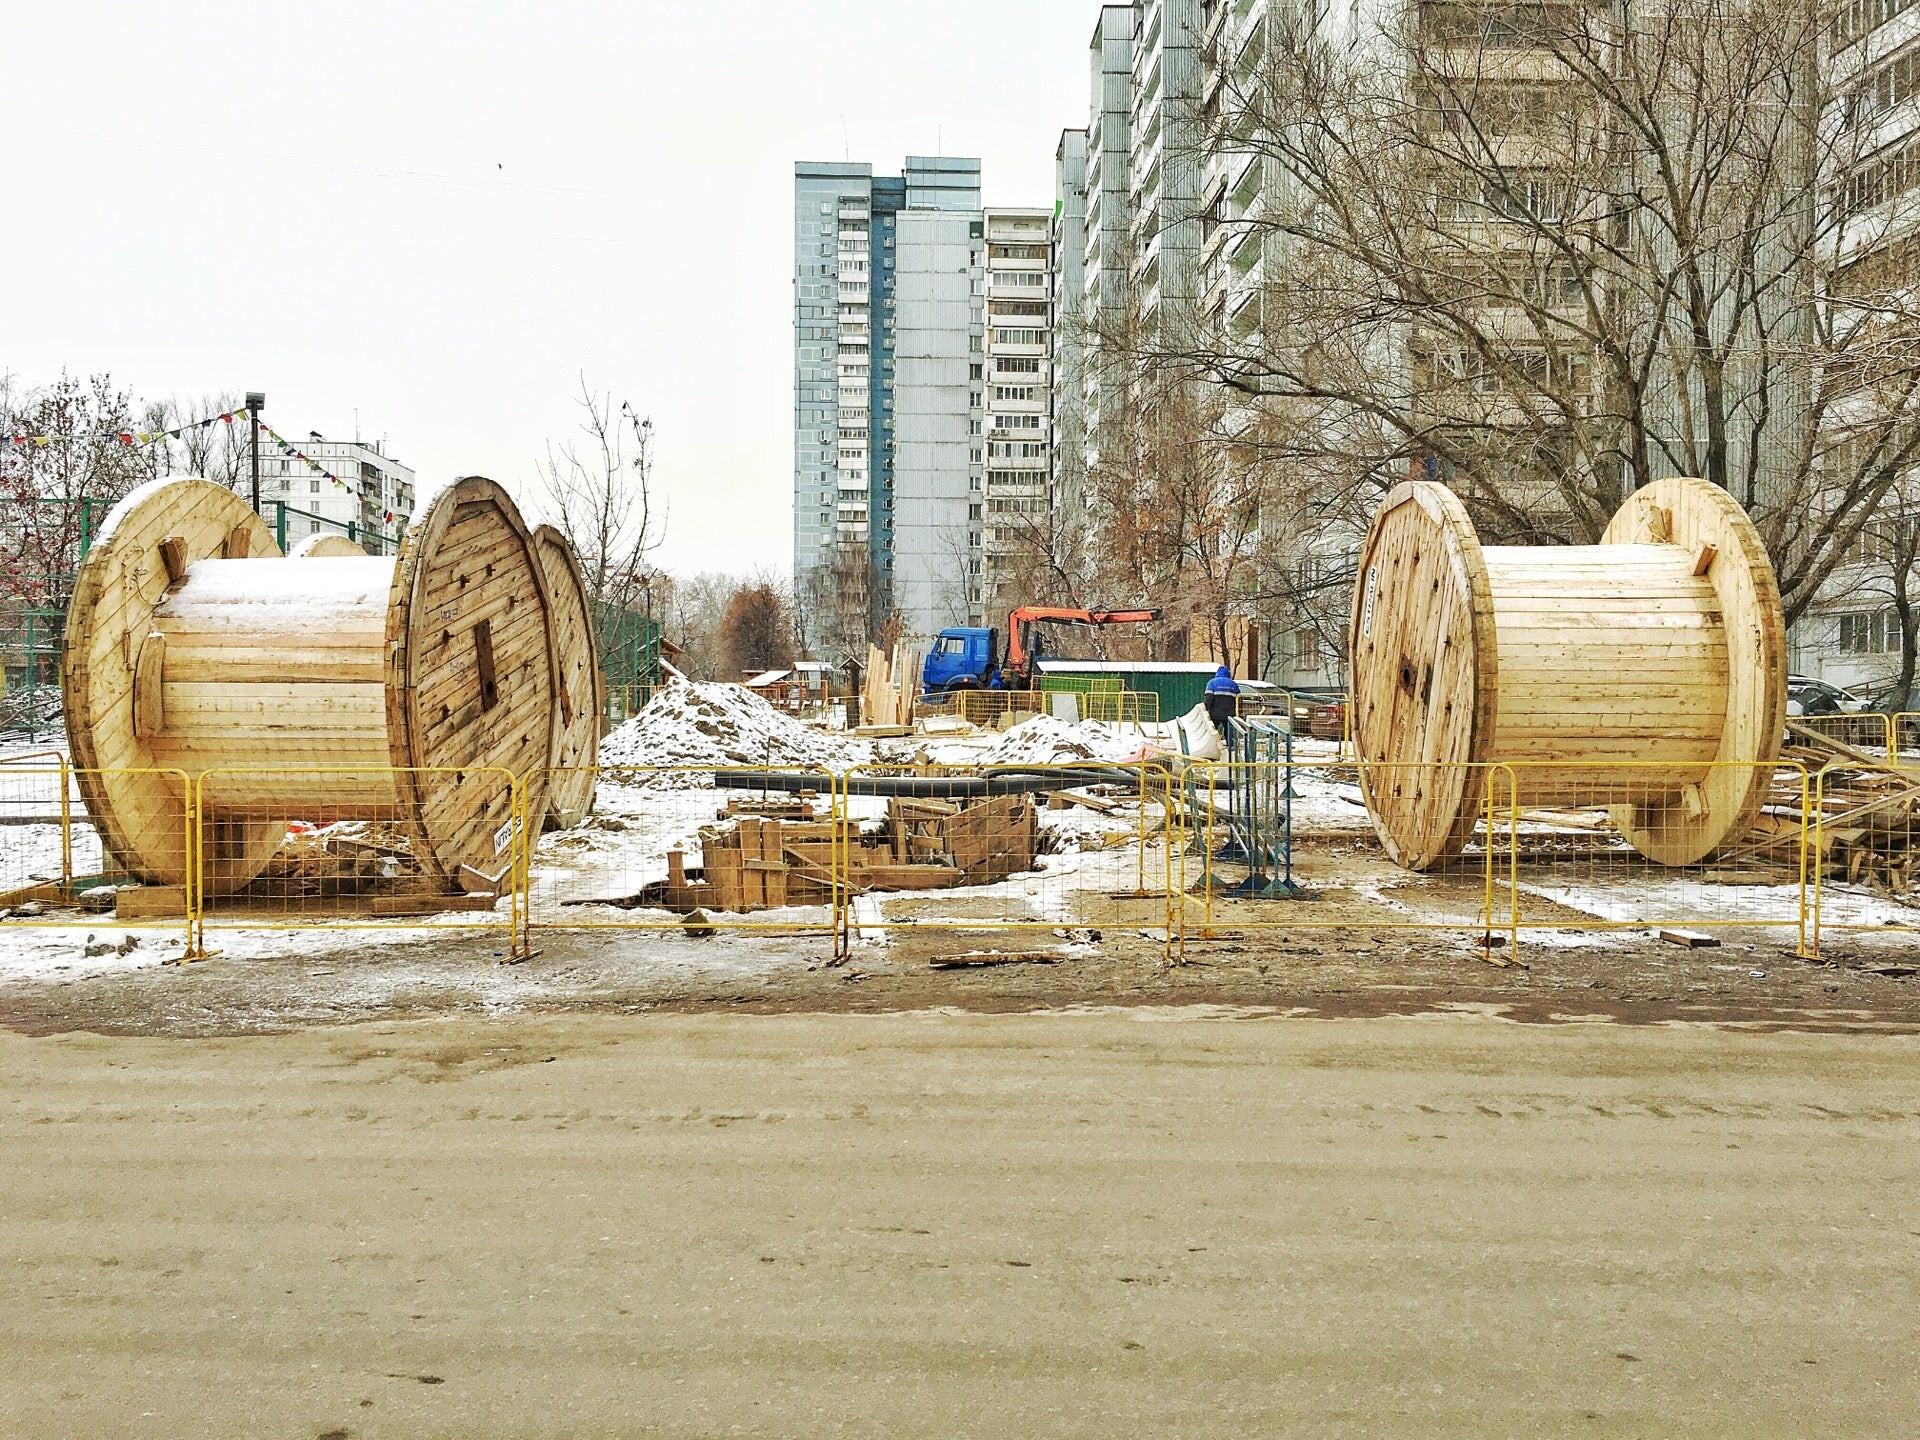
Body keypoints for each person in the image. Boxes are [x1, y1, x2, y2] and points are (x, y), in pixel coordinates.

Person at [1203, 664, 1240, 732]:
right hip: (1229, 714)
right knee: (1229, 733)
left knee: (1213, 730)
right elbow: (1238, 699)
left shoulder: (1211, 683)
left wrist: (1206, 709)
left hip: (1215, 713)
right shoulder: (1233, 684)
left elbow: (1208, 698)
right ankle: (1229, 742)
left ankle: (1213, 742)